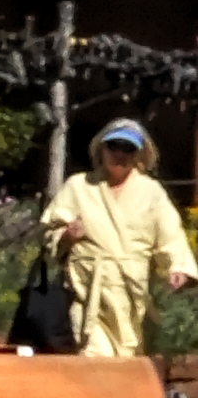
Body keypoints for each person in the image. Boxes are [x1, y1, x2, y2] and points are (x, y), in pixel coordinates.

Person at [33, 116, 197, 359]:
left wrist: (178, 267)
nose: (120, 154)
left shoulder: (152, 193)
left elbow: (170, 235)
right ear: (102, 149)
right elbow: (49, 232)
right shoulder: (78, 186)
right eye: (114, 146)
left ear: (138, 154)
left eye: (128, 148)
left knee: (127, 360)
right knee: (95, 357)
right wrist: (67, 235)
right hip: (88, 295)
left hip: (131, 298)